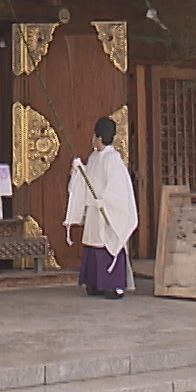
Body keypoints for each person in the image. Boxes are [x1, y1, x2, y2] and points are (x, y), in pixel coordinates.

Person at [63, 116, 138, 299]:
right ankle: (95, 282)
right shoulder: (95, 157)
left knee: (108, 244)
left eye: (94, 136)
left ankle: (114, 285)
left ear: (99, 137)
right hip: (94, 213)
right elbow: (87, 179)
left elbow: (119, 189)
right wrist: (79, 169)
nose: (93, 139)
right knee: (93, 244)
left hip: (107, 212)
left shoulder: (113, 159)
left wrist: (105, 201)